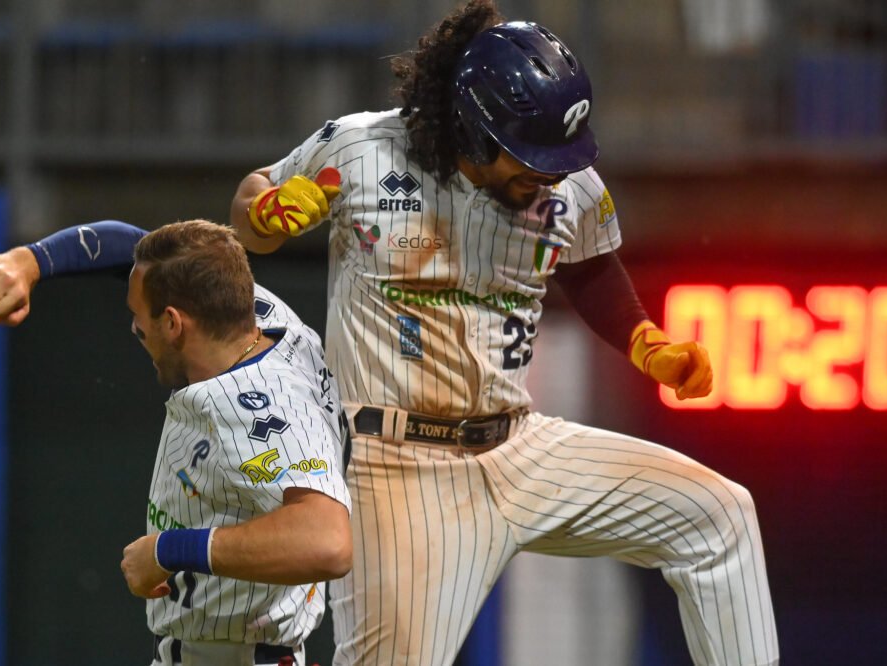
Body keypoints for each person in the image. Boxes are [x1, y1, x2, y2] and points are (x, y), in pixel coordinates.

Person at [228, 2, 779, 665]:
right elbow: (252, 208)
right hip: (398, 468)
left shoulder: (563, 182)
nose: (552, 171)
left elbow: (590, 264)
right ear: (474, 129)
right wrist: (264, 216)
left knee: (719, 516)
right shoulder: (362, 149)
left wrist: (644, 341)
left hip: (520, 448)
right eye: (533, 154)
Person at [0, 219, 353, 666]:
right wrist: (31, 261)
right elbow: (134, 249)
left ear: (172, 322)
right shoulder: (255, 315)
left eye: (138, 317)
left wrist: (168, 550)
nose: (135, 329)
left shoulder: (257, 407)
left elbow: (329, 541)